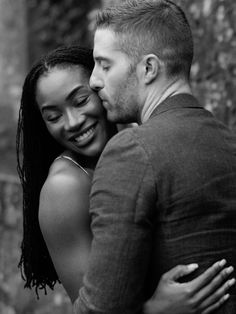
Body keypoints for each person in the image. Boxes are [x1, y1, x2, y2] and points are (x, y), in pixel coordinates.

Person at [16, 45, 234, 314]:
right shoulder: (65, 187)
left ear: (102, 88)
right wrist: (157, 310)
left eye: (81, 100)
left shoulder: (140, 145)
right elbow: (89, 308)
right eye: (53, 116)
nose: (71, 122)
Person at [73, 0, 236, 313]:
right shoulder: (229, 143)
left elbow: (100, 309)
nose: (94, 81)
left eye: (105, 65)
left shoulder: (131, 151)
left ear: (148, 68)